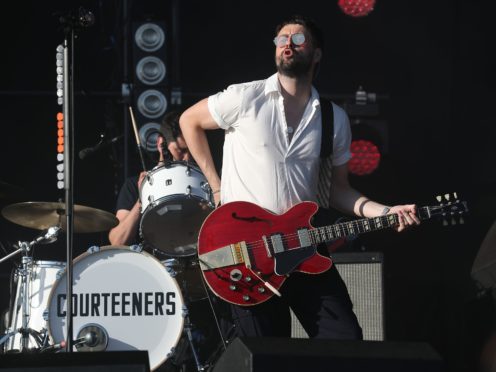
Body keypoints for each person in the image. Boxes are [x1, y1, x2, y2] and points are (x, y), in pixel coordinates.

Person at [179, 15, 421, 340]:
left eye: (298, 39)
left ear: (317, 54)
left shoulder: (333, 119)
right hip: (250, 253)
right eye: (282, 39)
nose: (288, 45)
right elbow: (188, 121)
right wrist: (217, 186)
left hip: (304, 246)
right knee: (265, 356)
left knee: (345, 343)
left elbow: (339, 192)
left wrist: (384, 212)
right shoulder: (246, 98)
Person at [108, 110, 191, 246]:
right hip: (147, 264)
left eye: (191, 150)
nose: (187, 158)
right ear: (160, 144)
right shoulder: (133, 185)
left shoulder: (201, 182)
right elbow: (117, 241)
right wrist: (142, 199)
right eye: (180, 150)